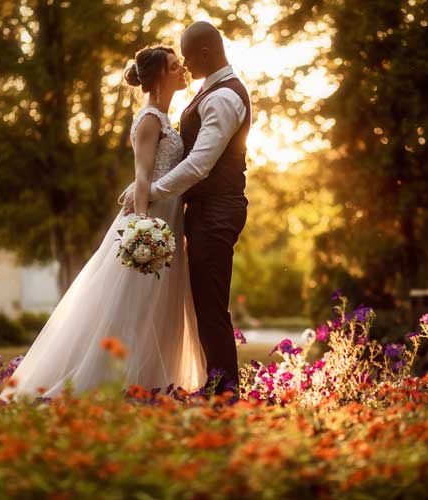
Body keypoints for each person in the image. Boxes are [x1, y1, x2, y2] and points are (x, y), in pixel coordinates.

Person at [0, 45, 208, 403]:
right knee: (131, 302)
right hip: (151, 222)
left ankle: (151, 384)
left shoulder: (165, 118)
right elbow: (142, 176)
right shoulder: (149, 120)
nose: (182, 70)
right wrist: (142, 228)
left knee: (159, 303)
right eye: (174, 66)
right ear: (158, 76)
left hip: (170, 220)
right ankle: (109, 382)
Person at [123, 21, 252, 395]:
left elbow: (200, 164)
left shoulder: (224, 97)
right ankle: (215, 388)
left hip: (217, 212)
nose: (185, 64)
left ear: (207, 54)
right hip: (200, 212)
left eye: (188, 57)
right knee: (201, 305)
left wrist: (148, 192)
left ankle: (225, 395)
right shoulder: (208, 93)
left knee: (211, 307)